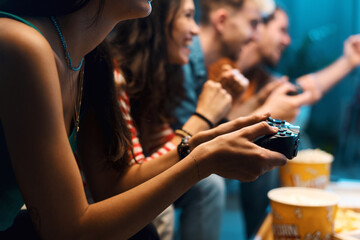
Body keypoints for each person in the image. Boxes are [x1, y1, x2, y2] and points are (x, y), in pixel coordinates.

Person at [0, 0, 288, 239]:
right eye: (188, 17)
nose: (195, 31)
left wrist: (201, 143)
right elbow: (68, 230)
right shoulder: (22, 44)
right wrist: (202, 159)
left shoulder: (90, 57)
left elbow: (112, 184)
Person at [109, 0, 248, 239]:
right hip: (100, 198)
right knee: (167, 209)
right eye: (188, 16)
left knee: (208, 185)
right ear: (156, 22)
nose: (195, 29)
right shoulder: (114, 77)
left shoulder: (155, 76)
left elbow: (162, 150)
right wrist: (203, 117)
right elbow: (132, 180)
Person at [234, 2, 360, 238]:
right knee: (270, 142)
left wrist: (349, 60)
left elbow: (304, 88)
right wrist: (268, 109)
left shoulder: (261, 76)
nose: (288, 40)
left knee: (298, 140)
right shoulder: (220, 66)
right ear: (258, 27)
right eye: (282, 30)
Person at [171, 0, 261, 130]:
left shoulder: (197, 65)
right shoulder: (183, 64)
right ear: (221, 21)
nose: (256, 38)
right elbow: (185, 145)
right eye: (253, 23)